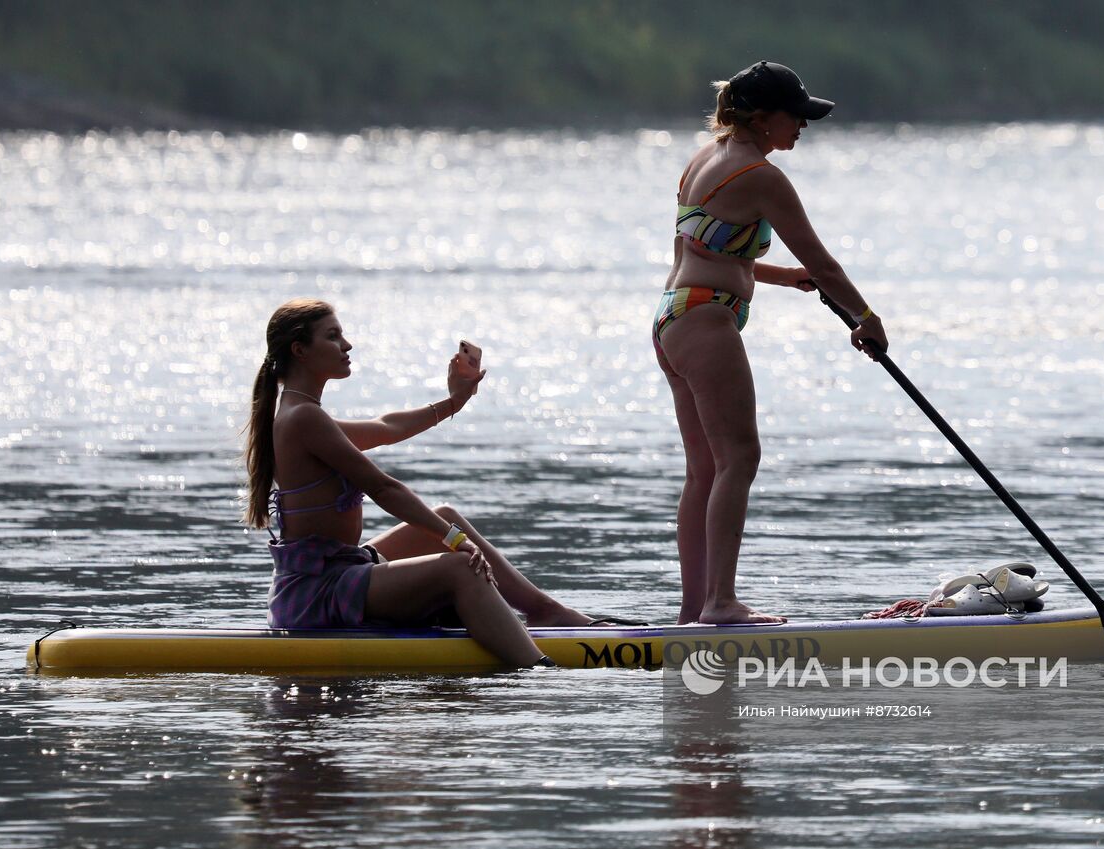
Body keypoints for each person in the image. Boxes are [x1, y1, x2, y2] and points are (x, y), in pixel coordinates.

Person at [654, 61, 890, 625]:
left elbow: (710, 254)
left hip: (673, 318)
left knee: (705, 471)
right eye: (797, 116)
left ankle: (694, 613)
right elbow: (824, 263)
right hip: (707, 321)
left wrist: (786, 279)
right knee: (740, 458)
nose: (803, 126)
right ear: (762, 119)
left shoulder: (701, 161)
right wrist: (867, 317)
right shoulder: (761, 175)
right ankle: (720, 603)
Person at [242, 298, 596, 667]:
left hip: (338, 571)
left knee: (445, 515)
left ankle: (544, 611)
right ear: (300, 350)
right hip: (318, 594)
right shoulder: (303, 419)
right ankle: (539, 671)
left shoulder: (301, 414)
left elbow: (386, 427)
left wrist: (454, 402)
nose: (347, 345)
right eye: (333, 336)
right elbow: (384, 489)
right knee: (461, 565)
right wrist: (455, 542)